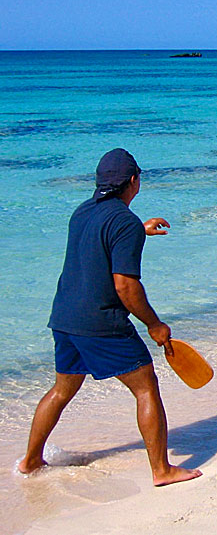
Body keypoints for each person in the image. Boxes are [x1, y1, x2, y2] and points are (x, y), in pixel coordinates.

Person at [17, 148, 202, 487]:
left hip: (64, 318)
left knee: (61, 389)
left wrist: (138, 230)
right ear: (134, 181)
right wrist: (155, 325)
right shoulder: (124, 224)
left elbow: (98, 241)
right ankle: (161, 470)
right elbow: (126, 287)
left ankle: (30, 461)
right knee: (146, 387)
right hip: (101, 323)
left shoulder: (82, 212)